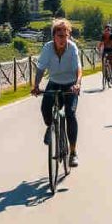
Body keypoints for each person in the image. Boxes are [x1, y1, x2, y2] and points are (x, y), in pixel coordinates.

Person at [32, 18, 83, 167]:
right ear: (54, 36)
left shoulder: (72, 48)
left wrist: (77, 84)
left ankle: (73, 153)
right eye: (60, 36)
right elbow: (41, 68)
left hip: (70, 84)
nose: (63, 39)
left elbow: (78, 69)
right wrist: (36, 85)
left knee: (70, 114)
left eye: (66, 36)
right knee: (45, 108)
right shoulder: (48, 48)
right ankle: (50, 126)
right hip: (54, 82)